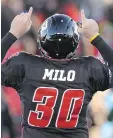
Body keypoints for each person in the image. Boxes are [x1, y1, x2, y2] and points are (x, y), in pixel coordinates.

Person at [1, 8, 112, 138]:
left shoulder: (24, 65)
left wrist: (13, 33)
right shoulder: (88, 68)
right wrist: (95, 37)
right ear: (75, 42)